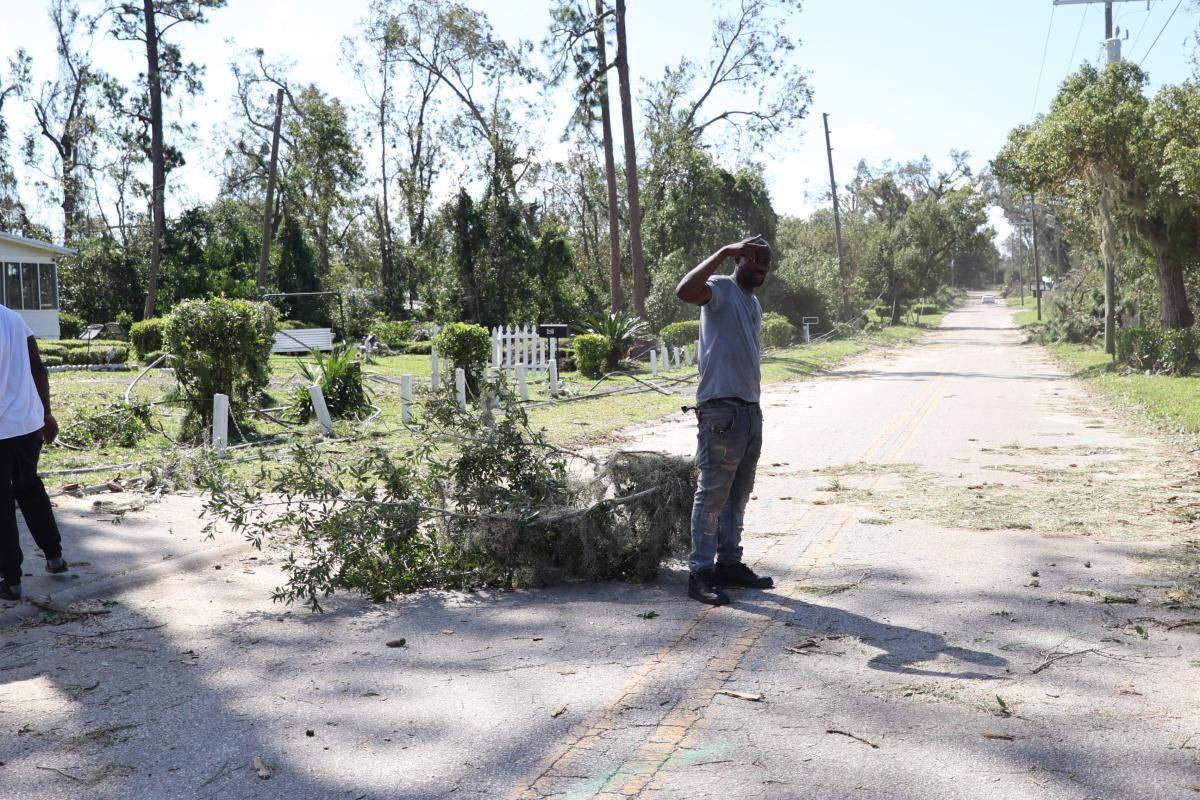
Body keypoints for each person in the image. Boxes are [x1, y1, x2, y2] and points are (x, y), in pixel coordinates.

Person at [675, 235, 774, 606]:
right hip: (720, 411)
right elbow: (685, 292)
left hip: (750, 410)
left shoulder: (752, 302)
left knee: (738, 494)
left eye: (766, 263)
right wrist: (721, 252)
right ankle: (699, 572)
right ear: (740, 260)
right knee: (712, 494)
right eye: (754, 261)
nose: (761, 268)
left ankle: (728, 564)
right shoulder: (719, 288)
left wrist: (754, 408)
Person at [0, 304, 68, 602]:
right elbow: (38, 368)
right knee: (29, 488)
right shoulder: (14, 318)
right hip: (27, 425)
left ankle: (11, 580)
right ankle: (55, 558)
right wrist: (46, 414)